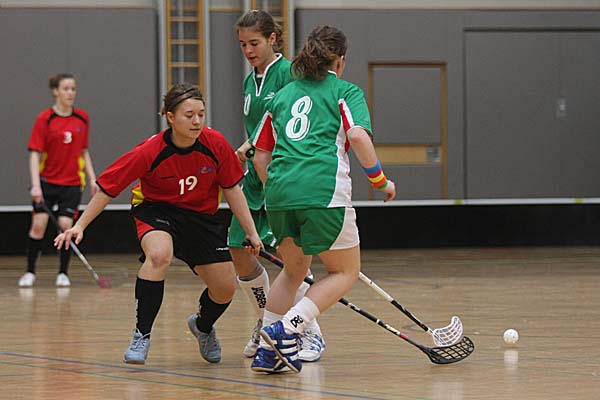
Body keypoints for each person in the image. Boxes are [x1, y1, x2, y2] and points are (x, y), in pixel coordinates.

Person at [54, 83, 263, 365]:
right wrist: (80, 226)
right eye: (189, 115)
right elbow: (108, 187)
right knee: (159, 255)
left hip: (201, 217)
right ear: (171, 117)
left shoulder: (215, 144)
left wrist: (251, 232)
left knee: (225, 287)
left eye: (201, 114)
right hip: (156, 210)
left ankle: (202, 326)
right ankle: (142, 334)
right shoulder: (151, 150)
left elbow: (233, 189)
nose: (197, 121)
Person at [250, 25, 396, 373]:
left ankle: (267, 352)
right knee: (345, 271)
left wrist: (279, 189)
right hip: (323, 192)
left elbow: (259, 156)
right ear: (340, 61)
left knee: (293, 271)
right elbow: (357, 136)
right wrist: (381, 181)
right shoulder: (345, 91)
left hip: (279, 194)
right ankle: (288, 328)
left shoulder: (282, 95)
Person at [231, 9, 325, 362]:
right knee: (239, 250)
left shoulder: (289, 73)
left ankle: (308, 331)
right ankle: (268, 324)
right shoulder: (249, 81)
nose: (248, 51)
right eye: (243, 44)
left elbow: (284, 124)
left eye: (254, 43)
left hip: (280, 175)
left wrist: (253, 145)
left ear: (273, 38)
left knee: (292, 259)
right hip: (252, 179)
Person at [19, 73, 98, 288]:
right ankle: (30, 272)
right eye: (66, 89)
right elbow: (34, 154)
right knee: (38, 226)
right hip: (47, 182)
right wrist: (36, 185)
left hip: (72, 183)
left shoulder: (82, 118)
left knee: (65, 226)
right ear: (55, 91)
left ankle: (63, 273)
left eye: (73, 89)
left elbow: (83, 151)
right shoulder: (45, 119)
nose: (70, 93)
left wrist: (93, 179)